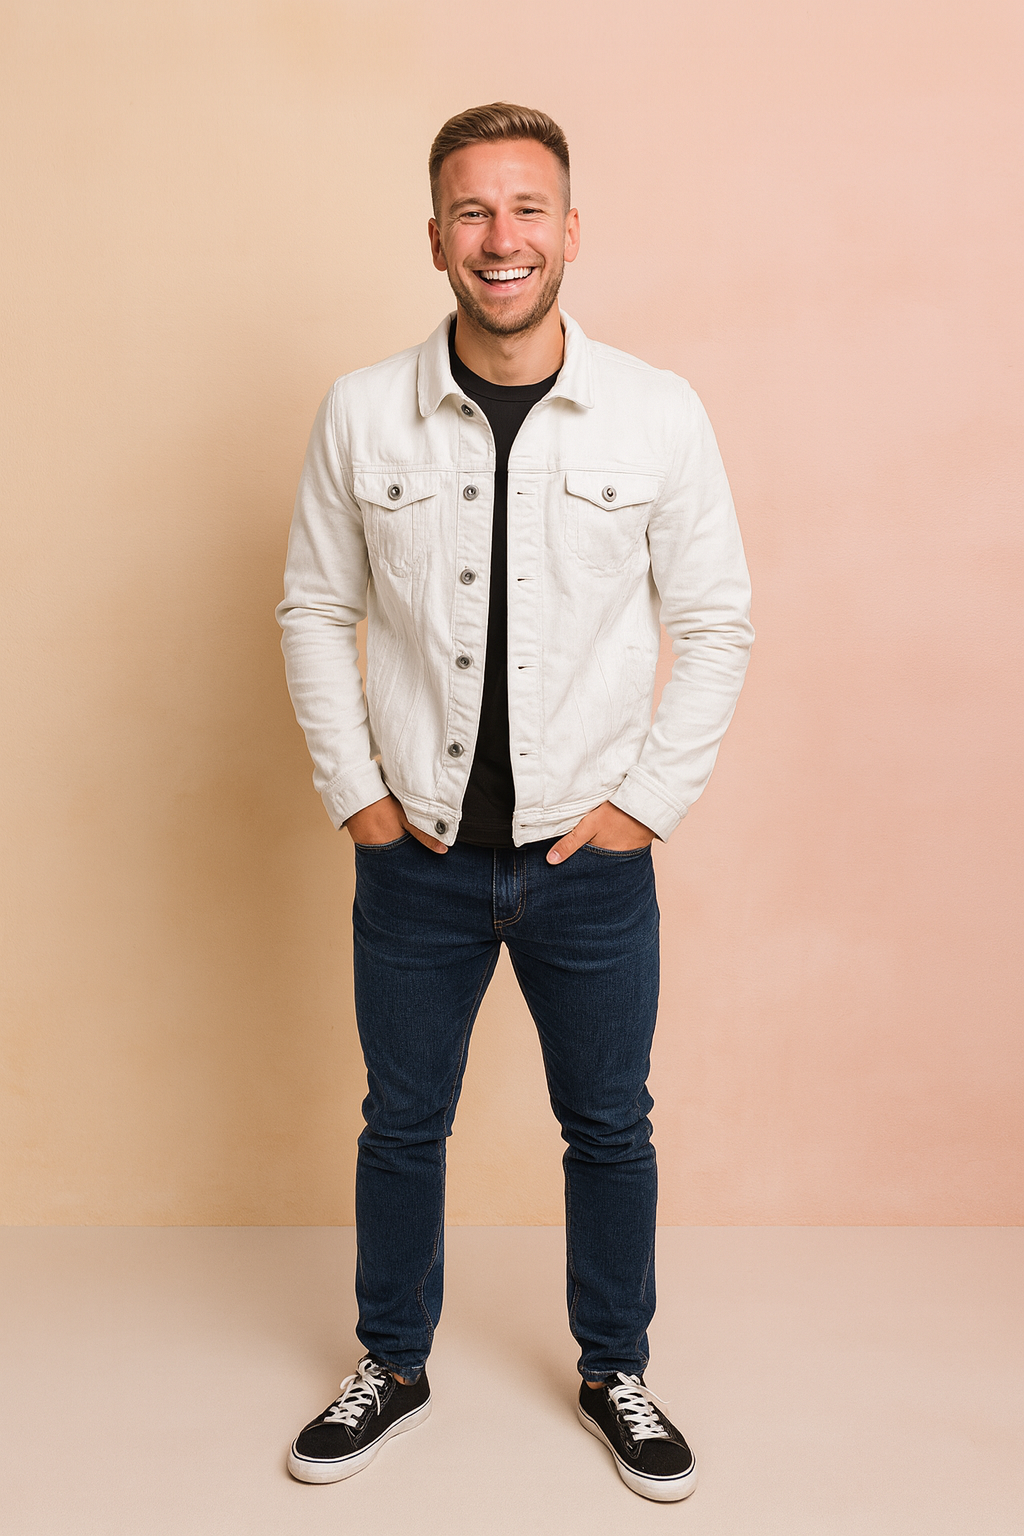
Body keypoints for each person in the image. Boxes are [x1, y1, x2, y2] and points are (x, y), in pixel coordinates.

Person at [276, 102, 752, 1503]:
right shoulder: (363, 410)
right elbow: (314, 608)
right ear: (435, 238)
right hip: (414, 856)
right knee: (400, 1124)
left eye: (527, 208)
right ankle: (392, 1362)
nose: (502, 238)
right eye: (473, 211)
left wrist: (647, 805)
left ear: (571, 231)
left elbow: (717, 621)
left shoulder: (657, 412)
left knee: (610, 1126)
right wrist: (358, 798)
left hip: (589, 861)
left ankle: (617, 1371)